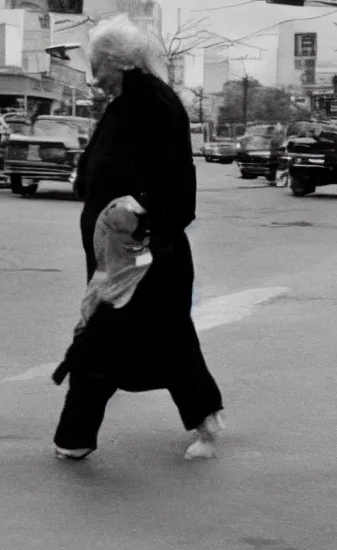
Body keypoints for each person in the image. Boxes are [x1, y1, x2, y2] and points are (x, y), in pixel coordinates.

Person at [52, 15, 224, 463]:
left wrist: (139, 210)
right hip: (123, 253)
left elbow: (173, 182)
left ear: (116, 61)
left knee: (107, 339)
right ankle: (205, 421)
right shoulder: (127, 102)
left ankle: (75, 438)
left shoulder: (153, 104)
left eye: (97, 67)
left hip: (145, 254)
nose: (94, 78)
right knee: (156, 339)